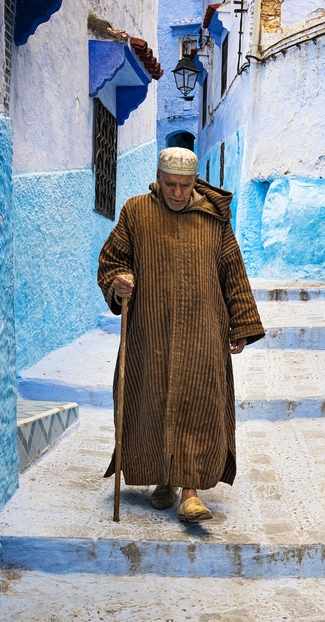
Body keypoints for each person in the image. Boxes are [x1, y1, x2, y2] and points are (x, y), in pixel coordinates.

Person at [97, 147, 264, 522]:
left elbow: (232, 272)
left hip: (203, 332)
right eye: (170, 184)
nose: (176, 193)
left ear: (194, 183)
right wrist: (119, 283)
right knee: (152, 403)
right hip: (150, 331)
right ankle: (164, 479)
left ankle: (190, 492)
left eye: (184, 185)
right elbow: (112, 260)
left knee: (197, 405)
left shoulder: (213, 220)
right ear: (159, 179)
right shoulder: (136, 212)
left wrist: (242, 323)